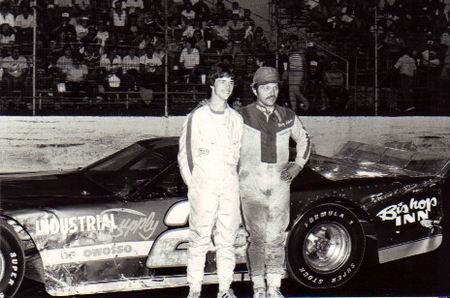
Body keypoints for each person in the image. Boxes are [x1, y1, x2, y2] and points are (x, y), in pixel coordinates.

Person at [239, 66, 311, 298]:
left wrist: (298, 165)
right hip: (251, 184)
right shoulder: (241, 115)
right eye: (265, 87)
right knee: (257, 237)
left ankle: (274, 287)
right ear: (254, 89)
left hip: (280, 183)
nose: (271, 92)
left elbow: (304, 140)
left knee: (276, 237)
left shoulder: (288, 115)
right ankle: (258, 287)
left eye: (275, 87)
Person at [178, 63, 243, 298]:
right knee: (199, 238)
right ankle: (194, 289)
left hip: (229, 184)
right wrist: (195, 185)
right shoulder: (197, 117)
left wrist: (233, 182)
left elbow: (239, 156)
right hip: (204, 186)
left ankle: (225, 288)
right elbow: (185, 155)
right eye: (223, 81)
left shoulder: (236, 119)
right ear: (212, 84)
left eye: (231, 82)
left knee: (227, 239)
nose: (228, 86)